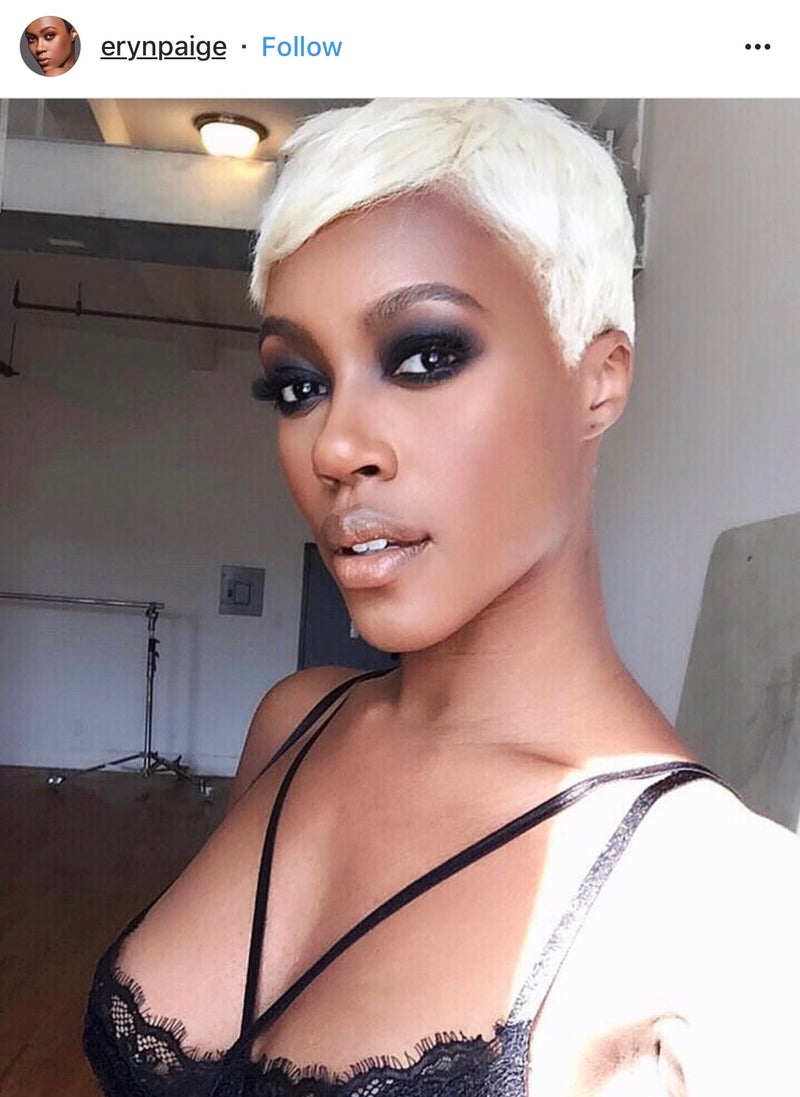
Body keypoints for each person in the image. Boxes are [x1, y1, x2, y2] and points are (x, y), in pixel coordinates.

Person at [84, 99, 800, 1096]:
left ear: (597, 381)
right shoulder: (295, 723)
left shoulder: (726, 904)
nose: (335, 446)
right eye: (298, 384)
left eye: (424, 356)